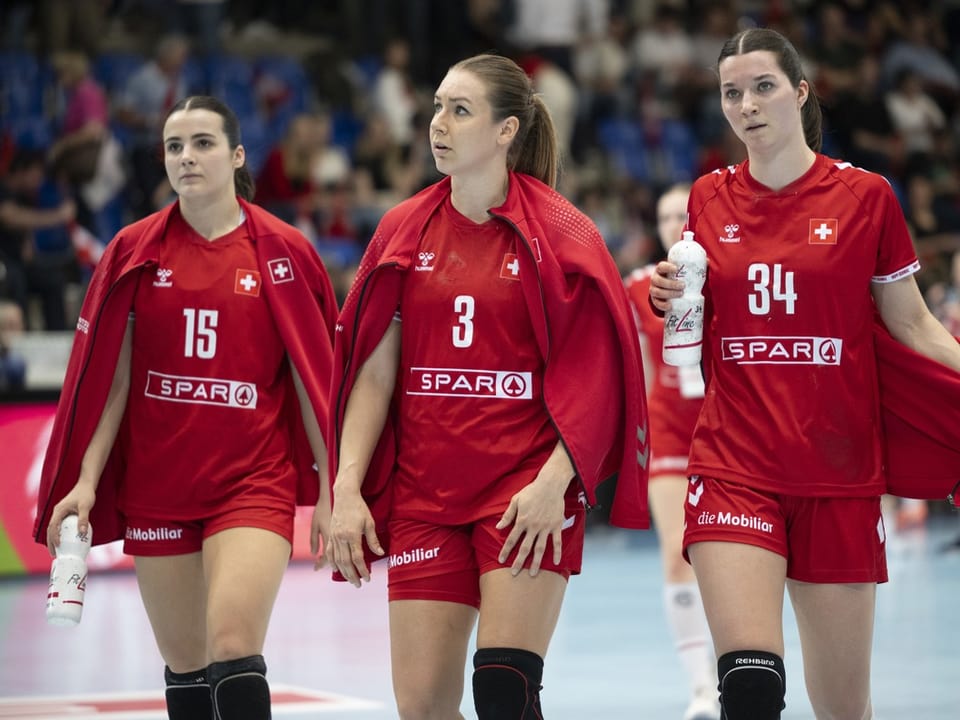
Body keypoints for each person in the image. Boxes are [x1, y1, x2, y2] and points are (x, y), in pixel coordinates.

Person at [325, 53, 650, 719]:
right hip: (425, 495)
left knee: (503, 689)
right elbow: (374, 373)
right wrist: (346, 486)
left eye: (459, 110)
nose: (437, 123)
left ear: (506, 131)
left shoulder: (562, 233)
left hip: (525, 493)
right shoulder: (402, 228)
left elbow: (600, 378)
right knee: (422, 707)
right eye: (437, 107)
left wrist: (554, 485)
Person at [649, 28, 960, 720]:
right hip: (735, 463)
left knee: (844, 708)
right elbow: (694, 311)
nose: (747, 105)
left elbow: (912, 326)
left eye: (762, 87)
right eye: (732, 93)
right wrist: (669, 297)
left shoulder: (867, 197)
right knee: (752, 688)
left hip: (839, 474)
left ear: (800, 92)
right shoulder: (706, 197)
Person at [33, 95, 339, 720]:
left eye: (202, 143)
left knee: (231, 647)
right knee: (187, 672)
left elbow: (314, 381)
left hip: (254, 481)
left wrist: (334, 490)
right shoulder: (134, 251)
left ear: (236, 155)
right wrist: (85, 482)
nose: (187, 157)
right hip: (160, 485)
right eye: (175, 147)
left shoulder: (282, 250)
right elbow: (111, 383)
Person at [625, 183, 719, 720]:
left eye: (680, 214)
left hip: (724, 435)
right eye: (662, 216)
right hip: (667, 436)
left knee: (726, 561)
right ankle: (702, 688)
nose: (670, 223)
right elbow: (634, 370)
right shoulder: (639, 287)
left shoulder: (724, 278)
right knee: (677, 557)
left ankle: (734, 668)